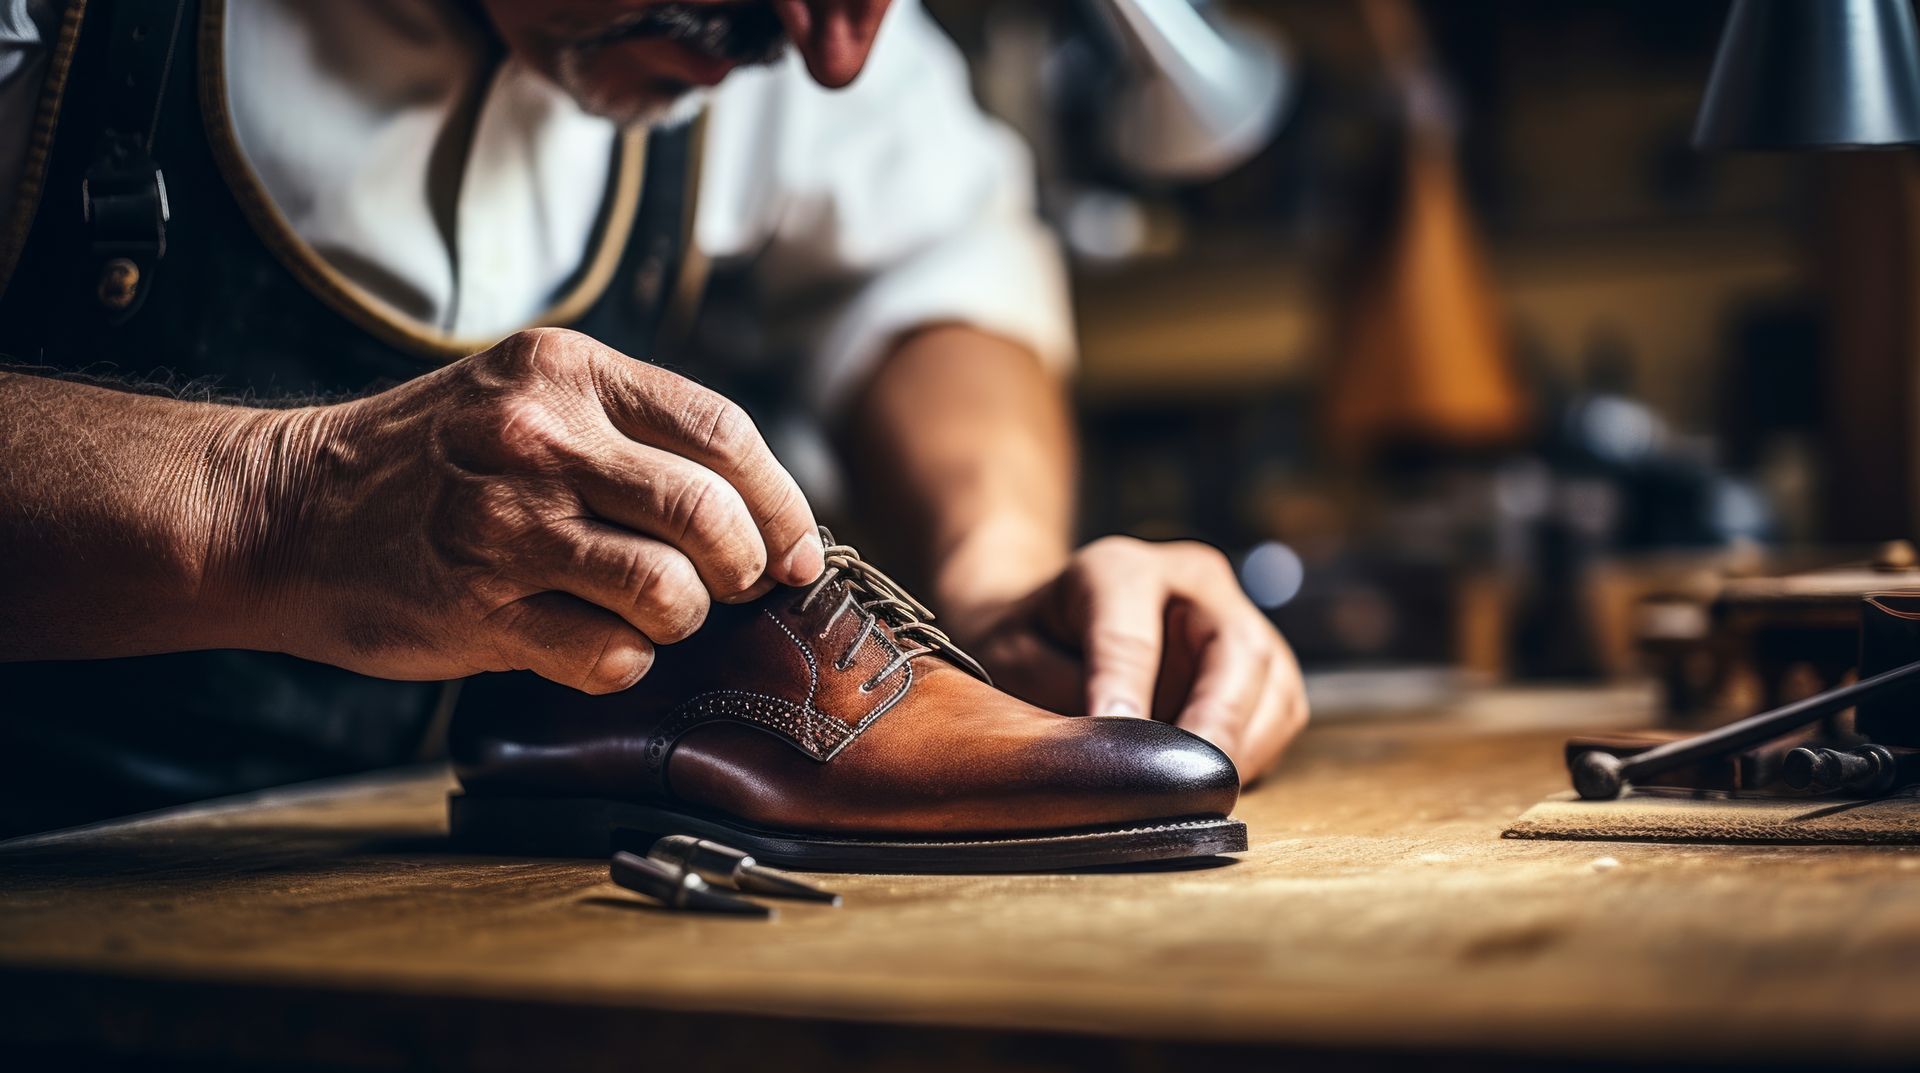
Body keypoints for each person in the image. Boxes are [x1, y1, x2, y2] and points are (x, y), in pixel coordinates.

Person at [0, 0, 1305, 837]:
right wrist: (273, 506)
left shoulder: (777, 27)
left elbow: (932, 269)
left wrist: (995, 574)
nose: (832, 54)